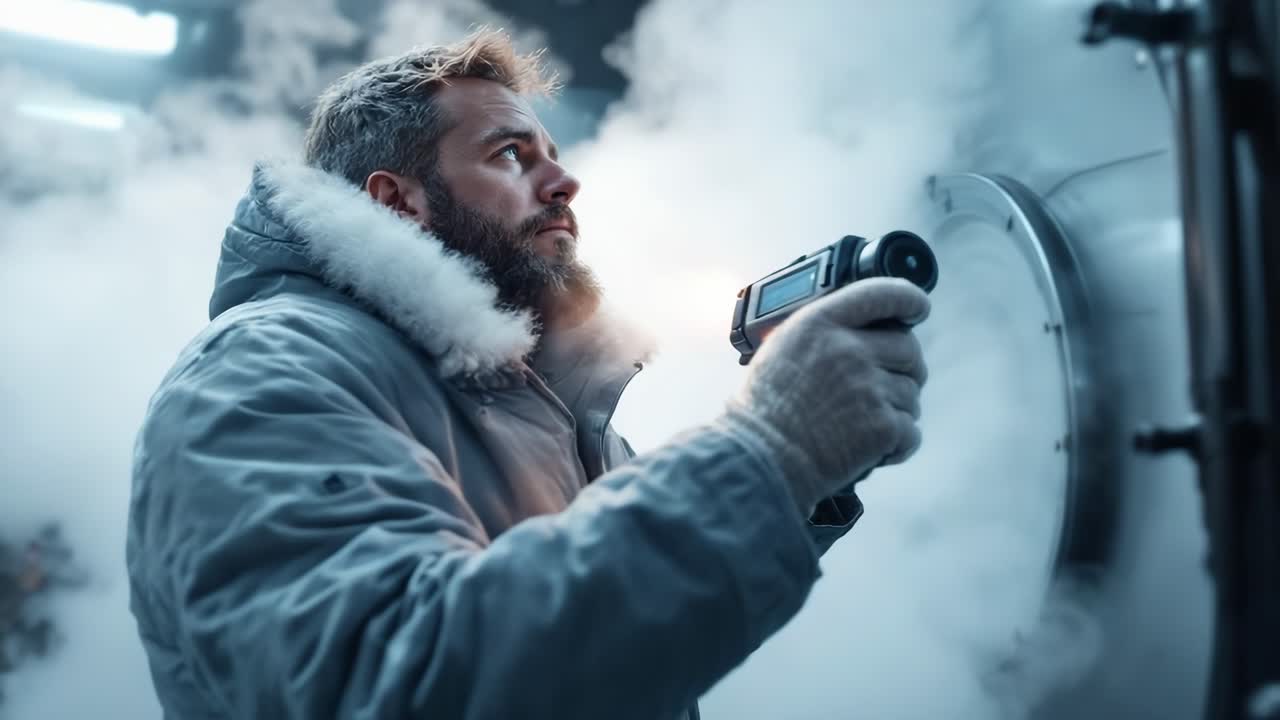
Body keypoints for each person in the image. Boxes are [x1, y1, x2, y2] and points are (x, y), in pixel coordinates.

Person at [127, 29, 930, 720]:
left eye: (553, 154)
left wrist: (801, 481)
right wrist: (770, 453)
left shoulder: (560, 415)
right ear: (397, 201)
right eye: (511, 154)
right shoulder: (265, 371)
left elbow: (607, 643)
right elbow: (397, 683)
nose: (564, 182)